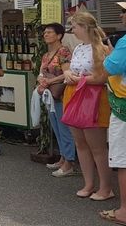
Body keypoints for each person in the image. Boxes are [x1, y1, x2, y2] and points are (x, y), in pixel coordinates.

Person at [63, 11, 112, 200]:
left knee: (97, 147)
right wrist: (68, 74)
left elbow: (103, 77)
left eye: (74, 27)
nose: (72, 30)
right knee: (81, 144)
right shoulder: (79, 48)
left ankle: (106, 187)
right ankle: (89, 183)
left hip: (93, 97)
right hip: (75, 95)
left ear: (83, 27)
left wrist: (77, 79)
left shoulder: (101, 48)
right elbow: (71, 69)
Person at [36, 23, 75, 177]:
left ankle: (69, 162)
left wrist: (49, 82)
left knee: (64, 128)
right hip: (51, 96)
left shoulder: (63, 51)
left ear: (59, 35)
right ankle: (63, 158)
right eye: (45, 32)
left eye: (50, 32)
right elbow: (41, 72)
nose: (46, 34)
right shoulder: (46, 54)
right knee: (56, 127)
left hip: (61, 94)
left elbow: (67, 73)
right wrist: (41, 81)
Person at [100, 2, 126, 224]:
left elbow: (111, 68)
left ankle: (124, 211)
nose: (121, 15)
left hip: (123, 107)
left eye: (125, 12)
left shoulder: (125, 43)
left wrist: (110, 53)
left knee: (123, 160)